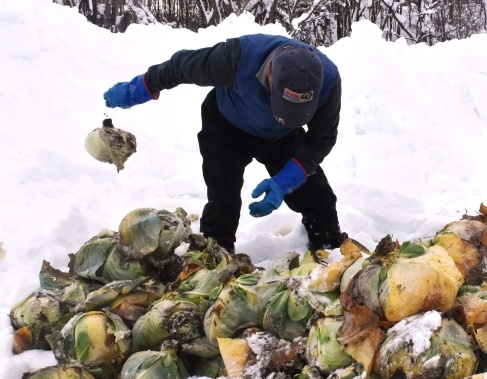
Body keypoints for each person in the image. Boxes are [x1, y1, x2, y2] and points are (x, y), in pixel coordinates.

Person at [103, 35, 345, 254]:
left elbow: (321, 139)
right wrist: (139, 88)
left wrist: (285, 181)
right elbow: (179, 67)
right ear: (270, 73)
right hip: (227, 127)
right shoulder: (236, 58)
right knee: (222, 197)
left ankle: (330, 252)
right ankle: (215, 255)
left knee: (318, 200)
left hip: (281, 136)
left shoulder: (329, 81)